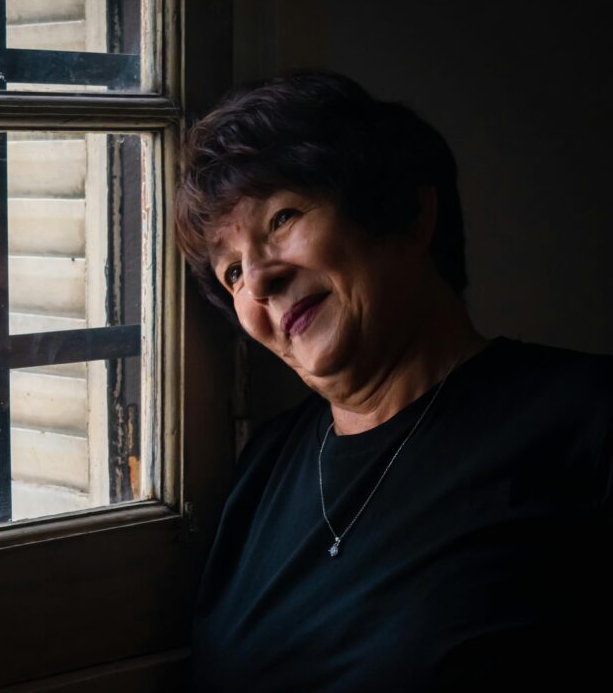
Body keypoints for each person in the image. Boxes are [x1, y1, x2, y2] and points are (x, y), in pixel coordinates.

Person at [174, 70, 613, 690]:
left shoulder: (586, 423)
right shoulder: (264, 467)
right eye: (231, 272)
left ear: (406, 214)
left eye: (282, 218)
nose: (260, 280)